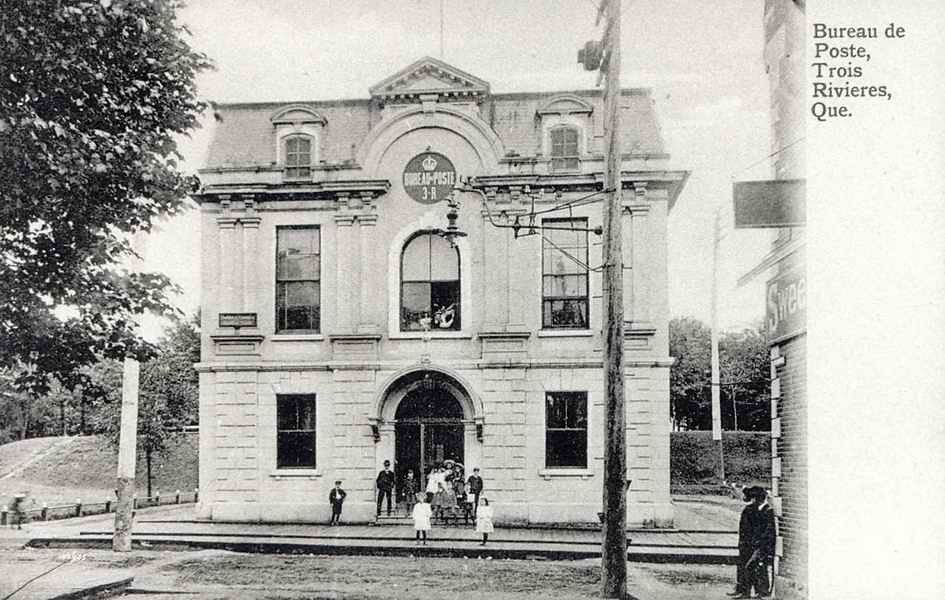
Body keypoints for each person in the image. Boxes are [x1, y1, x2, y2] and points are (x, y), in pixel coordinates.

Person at [732, 486, 776, 599]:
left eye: (753, 498)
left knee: (757, 567)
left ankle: (761, 592)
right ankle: (745, 591)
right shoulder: (751, 509)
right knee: (746, 566)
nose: (752, 501)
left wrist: (761, 546)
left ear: (758, 498)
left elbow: (767, 532)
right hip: (748, 544)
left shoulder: (767, 511)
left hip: (760, 546)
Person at [728, 486, 754, 597]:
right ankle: (741, 589)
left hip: (747, 543)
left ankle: (744, 591)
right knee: (742, 566)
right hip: (745, 543)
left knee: (745, 567)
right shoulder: (750, 509)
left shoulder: (749, 510)